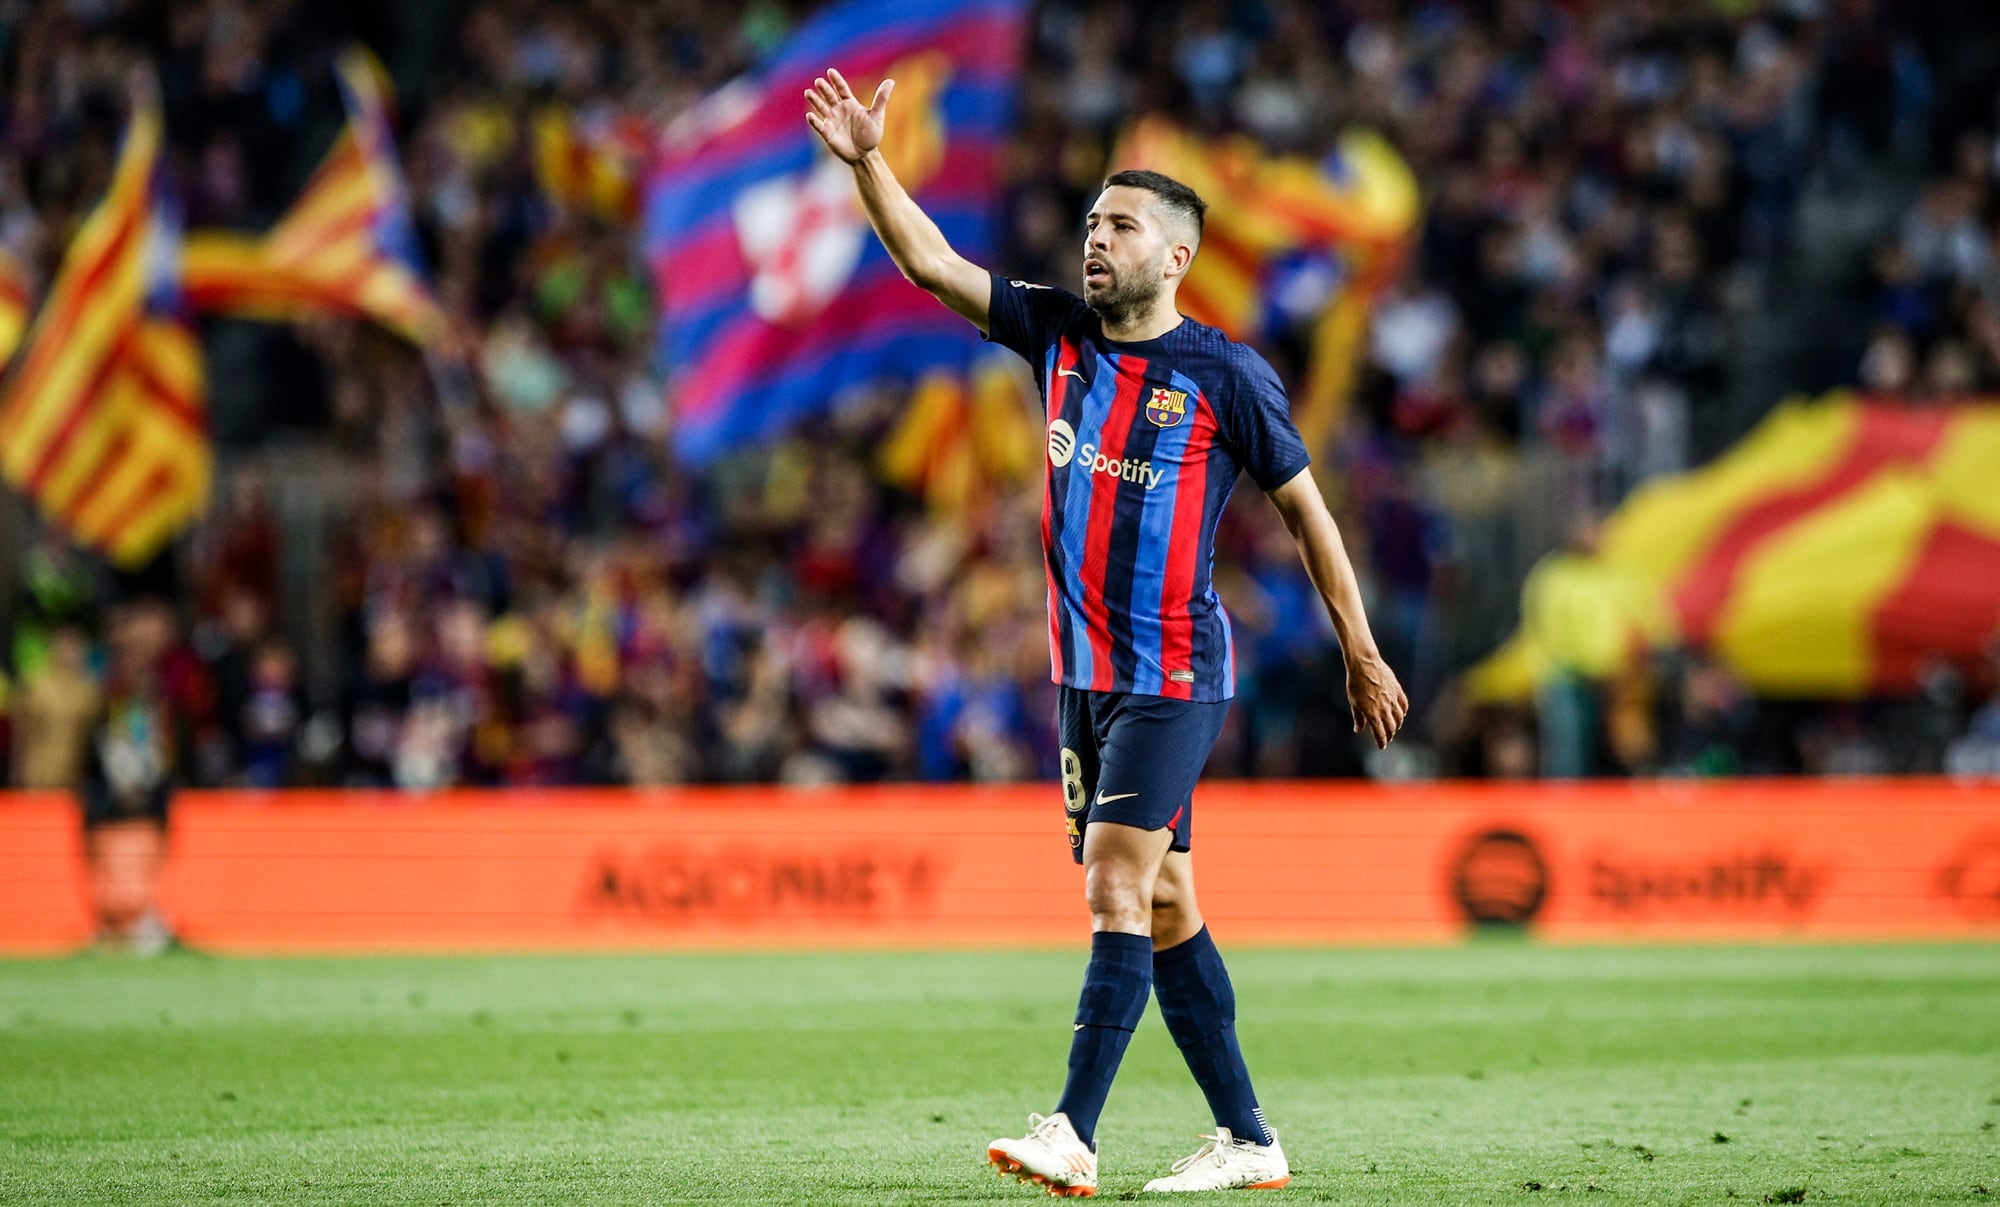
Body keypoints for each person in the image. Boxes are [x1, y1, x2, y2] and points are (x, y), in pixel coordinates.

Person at [807, 68, 1407, 1195]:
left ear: (1173, 256)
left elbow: (1309, 514)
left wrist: (1360, 649)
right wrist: (866, 163)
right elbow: (927, 264)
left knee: (1111, 885)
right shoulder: (1057, 334)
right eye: (1090, 221)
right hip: (1082, 678)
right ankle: (1249, 1140)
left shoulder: (1224, 377)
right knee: (1168, 901)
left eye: (1119, 226)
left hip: (1173, 673)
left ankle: (1071, 1130)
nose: (1096, 239)